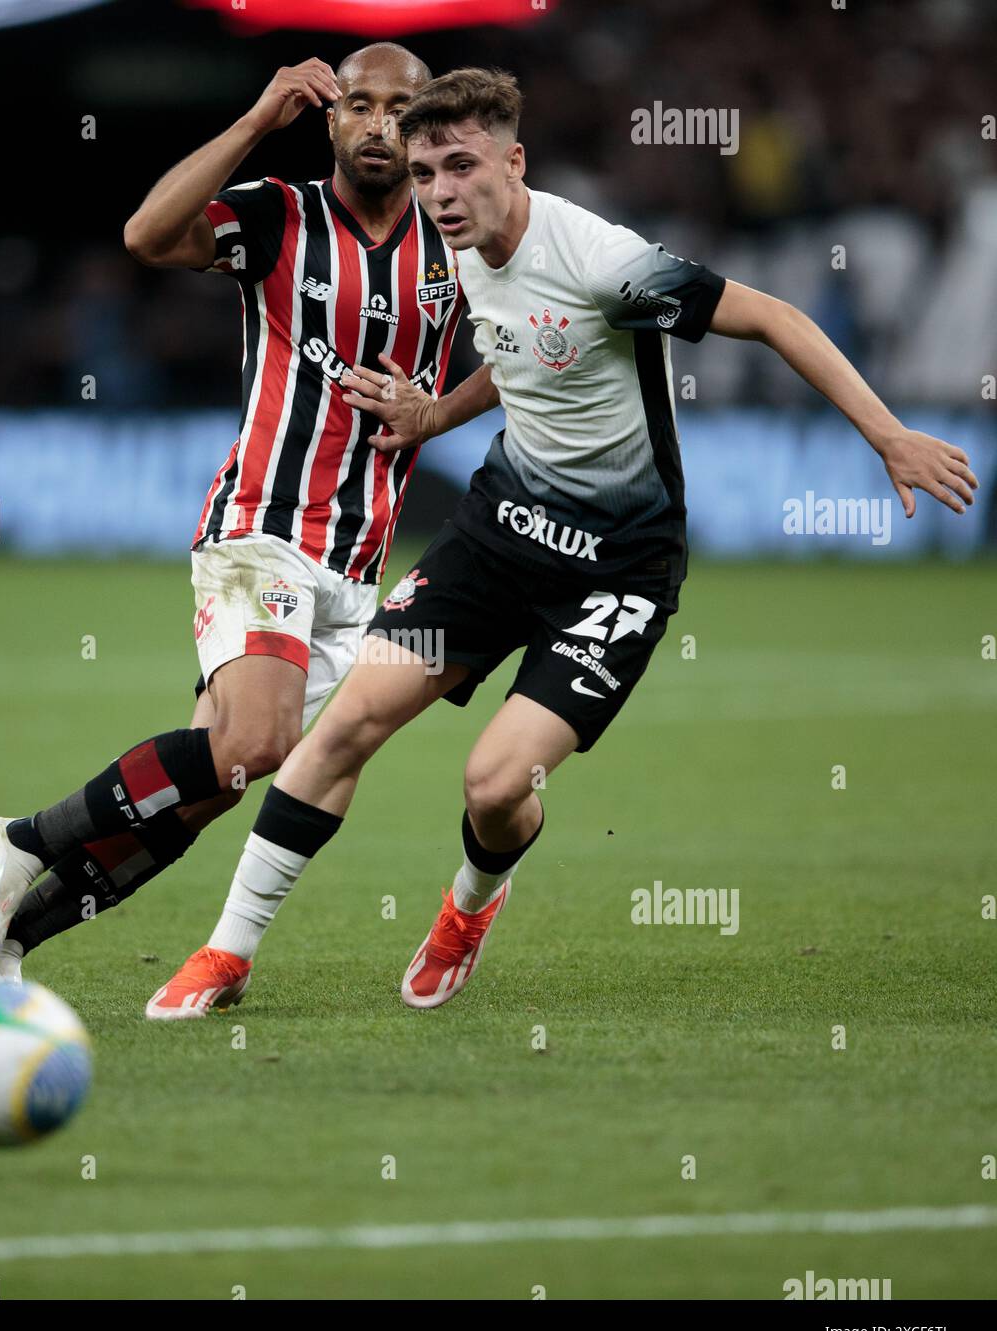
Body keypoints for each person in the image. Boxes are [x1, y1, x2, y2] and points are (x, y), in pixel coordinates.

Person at [144, 66, 977, 1019]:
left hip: (617, 568)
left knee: (494, 785)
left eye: (460, 166)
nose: (440, 193)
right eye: (423, 174)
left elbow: (775, 317)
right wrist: (433, 418)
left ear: (514, 161)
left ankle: (469, 905)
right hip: (495, 540)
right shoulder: (456, 246)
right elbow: (518, 354)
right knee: (341, 730)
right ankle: (227, 953)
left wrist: (889, 435)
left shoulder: (602, 261)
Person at [0, 44, 493, 990]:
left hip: (355, 566)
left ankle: (2, 948)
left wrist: (435, 411)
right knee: (257, 748)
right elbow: (147, 236)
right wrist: (250, 121)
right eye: (355, 104)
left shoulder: (458, 241)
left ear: (426, 124)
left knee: (203, 793)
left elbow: (529, 352)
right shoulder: (280, 214)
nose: (373, 124)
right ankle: (19, 838)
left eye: (397, 110)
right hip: (260, 528)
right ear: (327, 118)